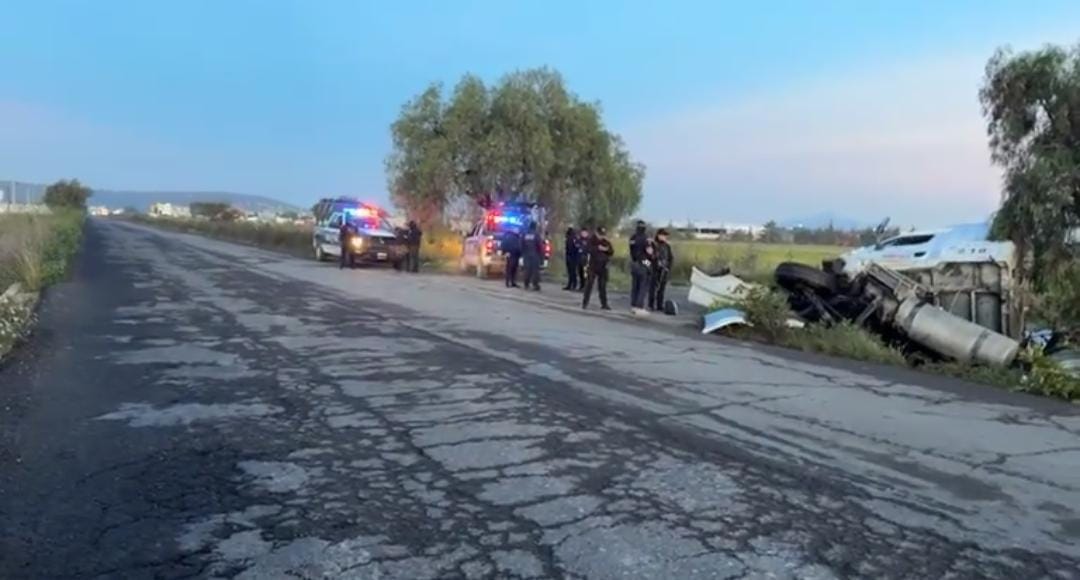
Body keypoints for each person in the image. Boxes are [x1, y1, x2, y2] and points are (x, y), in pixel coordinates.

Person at [582, 226, 613, 310]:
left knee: (602, 286)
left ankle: (604, 304)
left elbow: (611, 251)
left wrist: (606, 250)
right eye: (600, 234)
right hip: (593, 266)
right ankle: (585, 303)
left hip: (603, 267)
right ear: (596, 233)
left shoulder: (605, 241)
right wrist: (597, 248)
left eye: (603, 235)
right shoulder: (591, 240)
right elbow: (587, 249)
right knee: (589, 284)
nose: (601, 236)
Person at [628, 220, 653, 313]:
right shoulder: (646, 239)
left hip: (634, 262)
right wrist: (649, 263)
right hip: (643, 262)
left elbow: (632, 250)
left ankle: (633, 305)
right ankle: (639, 306)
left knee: (635, 285)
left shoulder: (632, 238)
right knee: (643, 285)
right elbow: (649, 252)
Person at [649, 228, 674, 311]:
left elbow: (670, 258)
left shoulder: (667, 246)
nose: (665, 237)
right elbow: (649, 257)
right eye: (663, 235)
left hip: (664, 270)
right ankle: (651, 304)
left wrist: (668, 267)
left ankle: (659, 305)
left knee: (662, 289)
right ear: (658, 235)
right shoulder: (653, 244)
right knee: (653, 288)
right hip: (655, 270)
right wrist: (653, 265)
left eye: (666, 236)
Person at [521, 221, 543, 291]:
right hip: (535, 254)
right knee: (535, 270)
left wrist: (523, 253)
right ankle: (535, 285)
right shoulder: (536, 234)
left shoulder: (525, 234)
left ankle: (526, 283)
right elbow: (539, 245)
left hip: (526, 255)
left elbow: (521, 244)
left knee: (527, 269)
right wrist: (541, 255)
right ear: (535, 227)